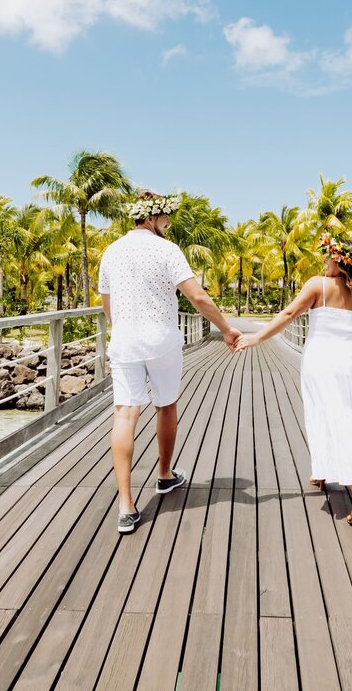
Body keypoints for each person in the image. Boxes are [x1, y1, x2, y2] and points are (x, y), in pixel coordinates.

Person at [235, 234, 352, 530]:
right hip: (351, 360)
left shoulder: (318, 285)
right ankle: (324, 471)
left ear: (340, 262)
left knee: (324, 414)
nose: (324, 261)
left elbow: (289, 313)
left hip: (321, 358)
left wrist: (256, 337)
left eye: (328, 257)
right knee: (349, 414)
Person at [97, 191, 242, 534]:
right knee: (166, 405)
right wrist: (226, 329)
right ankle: (164, 475)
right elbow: (197, 296)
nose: (169, 222)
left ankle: (126, 506)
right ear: (150, 218)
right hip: (161, 341)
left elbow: (107, 303)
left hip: (125, 342)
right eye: (165, 217)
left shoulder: (111, 251)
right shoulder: (167, 250)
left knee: (125, 413)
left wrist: (124, 329)